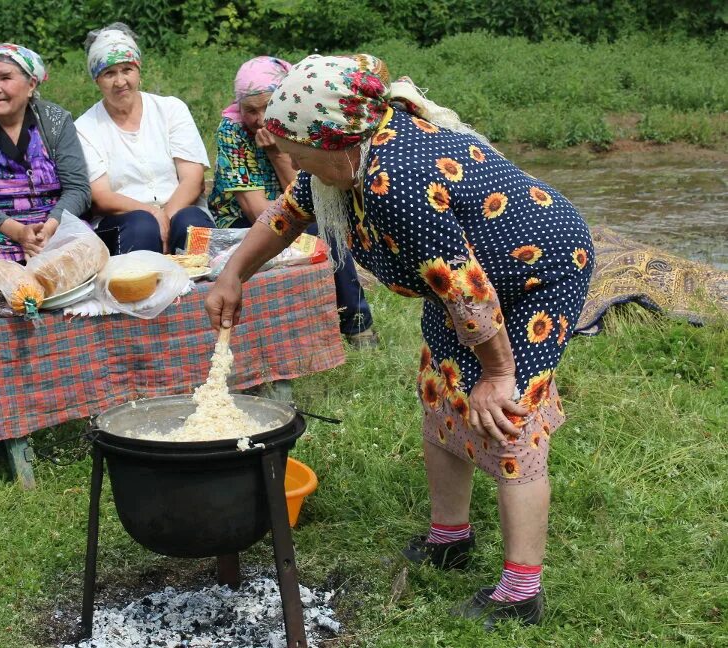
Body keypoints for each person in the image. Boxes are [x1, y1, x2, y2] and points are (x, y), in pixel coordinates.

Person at [205, 54, 594, 628]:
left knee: (510, 421)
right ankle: (450, 536)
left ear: (337, 143)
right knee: (441, 395)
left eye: (302, 155)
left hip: (537, 273)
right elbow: (286, 213)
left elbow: (466, 290)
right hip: (469, 281)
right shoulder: (343, 158)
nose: (295, 165)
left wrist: (498, 374)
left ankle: (520, 591)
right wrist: (233, 273)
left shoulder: (398, 181)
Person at [209, 56, 376, 347]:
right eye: (250, 110)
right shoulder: (232, 132)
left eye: (267, 106)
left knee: (327, 232)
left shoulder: (296, 119)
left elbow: (304, 194)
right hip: (243, 221)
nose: (260, 118)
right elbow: (257, 209)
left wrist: (277, 153)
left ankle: (358, 324)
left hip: (296, 210)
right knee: (311, 229)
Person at [74, 23, 213, 255]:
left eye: (127, 70)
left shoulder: (170, 109)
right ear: (97, 79)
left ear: (138, 70)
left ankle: (207, 289)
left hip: (179, 208)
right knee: (142, 226)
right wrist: (152, 214)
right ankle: (141, 288)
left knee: (191, 223)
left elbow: (193, 179)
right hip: (123, 222)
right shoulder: (84, 128)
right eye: (109, 73)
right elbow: (101, 197)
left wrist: (165, 216)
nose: (120, 82)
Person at [0, 43, 91, 262]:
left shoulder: (56, 121)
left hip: (55, 225)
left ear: (31, 85)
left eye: (5, 78)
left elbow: (78, 188)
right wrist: (19, 232)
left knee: (84, 255)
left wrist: (49, 228)